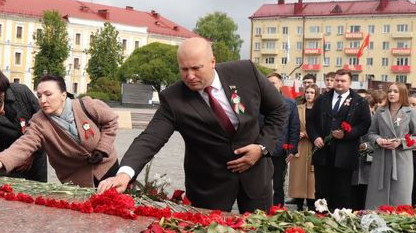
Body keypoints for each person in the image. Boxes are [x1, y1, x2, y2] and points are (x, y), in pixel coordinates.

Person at [97, 37, 287, 212]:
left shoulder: (245, 72)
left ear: (213, 62)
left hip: (256, 176)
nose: (190, 76)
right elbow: (149, 139)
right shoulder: (173, 99)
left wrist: (261, 147)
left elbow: (279, 110)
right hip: (209, 187)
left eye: (196, 68)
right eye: (184, 69)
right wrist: (124, 174)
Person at [0, 75, 119, 187]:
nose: (43, 100)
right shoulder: (39, 122)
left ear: (63, 95)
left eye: (48, 94)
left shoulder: (87, 105)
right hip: (77, 180)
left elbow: (111, 121)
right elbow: (23, 145)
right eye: (39, 96)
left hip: (106, 167)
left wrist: (102, 149)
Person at [307, 69, 372, 211]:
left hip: (345, 154)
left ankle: (340, 218)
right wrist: (315, 137)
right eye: (337, 80)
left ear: (350, 83)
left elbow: (365, 124)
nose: (339, 83)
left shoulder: (359, 102)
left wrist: (347, 134)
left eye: (343, 81)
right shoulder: (322, 99)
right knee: (321, 190)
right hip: (323, 152)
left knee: (342, 191)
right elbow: (311, 122)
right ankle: (321, 216)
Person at [365, 83, 416, 208]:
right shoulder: (380, 111)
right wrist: (378, 140)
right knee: (377, 197)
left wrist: (401, 142)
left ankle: (399, 218)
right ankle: (375, 217)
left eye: (395, 91)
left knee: (400, 195)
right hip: (381, 158)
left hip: (401, 159)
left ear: (402, 94)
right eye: (390, 91)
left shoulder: (410, 112)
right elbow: (371, 133)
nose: (391, 94)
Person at [266, 73, 299, 207]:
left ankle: (277, 209)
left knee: (278, 184)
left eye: (273, 83)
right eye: (268, 83)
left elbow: (294, 127)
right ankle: (261, 209)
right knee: (262, 183)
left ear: (280, 84)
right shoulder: (261, 101)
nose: (270, 86)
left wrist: (292, 150)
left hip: (281, 150)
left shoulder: (290, 103)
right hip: (263, 149)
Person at [288, 85, 317, 211]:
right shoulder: (298, 108)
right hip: (299, 146)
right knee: (298, 177)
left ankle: (311, 205)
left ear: (316, 94)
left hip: (314, 146)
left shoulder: (319, 109)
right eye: (307, 92)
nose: (309, 95)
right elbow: (292, 124)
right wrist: (297, 134)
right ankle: (299, 205)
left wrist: (309, 134)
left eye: (312, 92)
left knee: (312, 178)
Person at [351, 93, 376, 211]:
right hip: (354, 161)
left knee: (366, 193)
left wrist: (367, 146)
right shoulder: (354, 119)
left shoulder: (376, 120)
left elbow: (380, 139)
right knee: (353, 192)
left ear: (372, 107)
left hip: (369, 162)